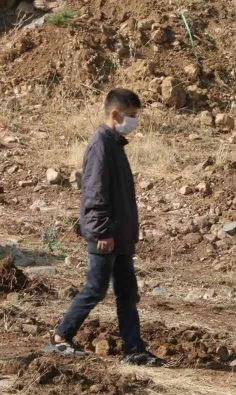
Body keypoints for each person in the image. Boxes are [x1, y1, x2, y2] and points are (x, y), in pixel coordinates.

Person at [45, 88, 165, 366]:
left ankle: (134, 349)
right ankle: (60, 337)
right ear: (115, 114)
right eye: (131, 116)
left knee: (127, 294)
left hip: (118, 236)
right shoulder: (101, 144)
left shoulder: (115, 143)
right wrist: (103, 232)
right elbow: (94, 193)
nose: (134, 122)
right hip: (106, 235)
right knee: (96, 289)